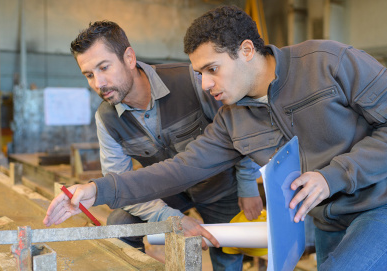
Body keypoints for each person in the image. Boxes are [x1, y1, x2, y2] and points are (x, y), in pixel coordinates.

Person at [44, 6, 387, 270]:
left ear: (247, 51)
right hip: (330, 217)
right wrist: (96, 190)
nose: (205, 84)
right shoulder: (233, 118)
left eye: (212, 70)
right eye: (199, 72)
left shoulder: (328, 62)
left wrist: (332, 176)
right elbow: (179, 170)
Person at [56, 20, 264, 270]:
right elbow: (119, 181)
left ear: (129, 58)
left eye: (104, 67)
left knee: (227, 257)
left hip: (220, 187)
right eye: (89, 75)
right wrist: (171, 218)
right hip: (168, 193)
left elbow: (241, 130)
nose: (98, 83)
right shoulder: (106, 118)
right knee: (119, 223)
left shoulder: (192, 81)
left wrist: (247, 186)